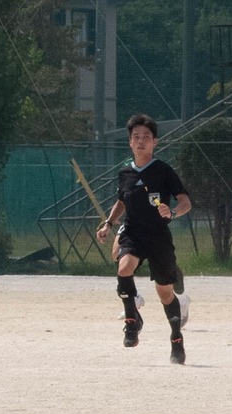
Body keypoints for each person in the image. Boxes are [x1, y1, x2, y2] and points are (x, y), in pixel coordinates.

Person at [96, 114, 192, 364]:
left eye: (146, 137)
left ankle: (176, 339)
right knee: (123, 267)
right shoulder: (125, 172)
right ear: (129, 142)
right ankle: (132, 321)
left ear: (155, 142)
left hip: (158, 236)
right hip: (133, 233)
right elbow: (121, 200)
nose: (141, 141)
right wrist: (108, 223)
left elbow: (185, 203)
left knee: (165, 293)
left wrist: (171, 212)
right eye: (136, 137)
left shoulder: (163, 170)